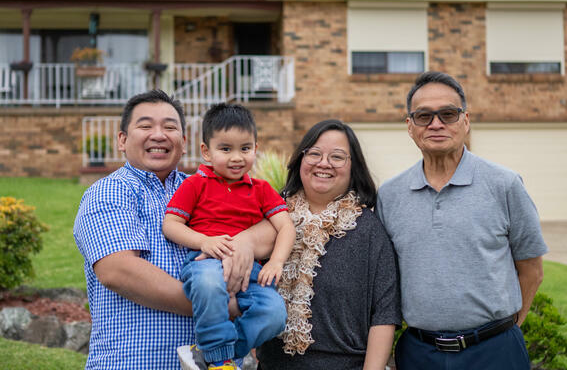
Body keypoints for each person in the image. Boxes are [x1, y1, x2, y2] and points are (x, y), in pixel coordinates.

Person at [73, 90, 276, 369]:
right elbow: (118, 271)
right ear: (122, 140)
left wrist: (244, 242)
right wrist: (217, 307)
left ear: (183, 143)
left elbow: (273, 228)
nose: (158, 135)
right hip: (135, 362)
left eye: (170, 127)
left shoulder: (203, 186)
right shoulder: (110, 192)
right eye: (145, 126)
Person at [376, 71, 548, 369]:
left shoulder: (505, 185)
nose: (436, 124)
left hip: (495, 352)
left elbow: (531, 269)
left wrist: (507, 329)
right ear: (410, 126)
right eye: (424, 116)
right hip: (419, 354)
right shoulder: (390, 196)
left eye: (448, 114)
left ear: (465, 121)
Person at [257, 119, 402, 370]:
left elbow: (385, 315)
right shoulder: (272, 220)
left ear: (353, 167)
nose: (324, 163)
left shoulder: (369, 231)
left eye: (337, 157)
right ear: (300, 160)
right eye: (314, 153)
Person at [162, 103, 295, 370]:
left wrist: (276, 262)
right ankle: (220, 358)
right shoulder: (195, 184)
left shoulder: (261, 189)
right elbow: (171, 224)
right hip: (207, 261)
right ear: (206, 152)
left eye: (245, 148)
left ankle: (212, 355)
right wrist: (204, 241)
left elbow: (286, 227)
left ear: (256, 148)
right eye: (226, 149)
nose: (236, 157)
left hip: (252, 272)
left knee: (274, 314)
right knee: (209, 285)